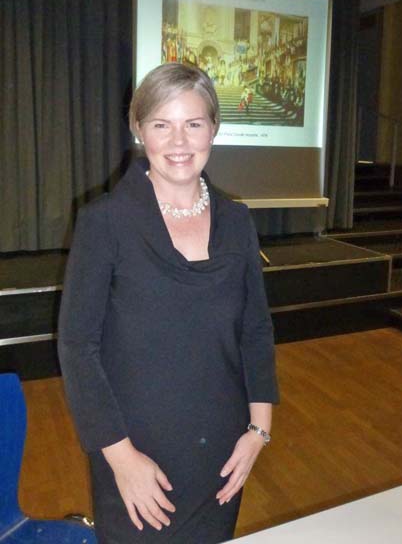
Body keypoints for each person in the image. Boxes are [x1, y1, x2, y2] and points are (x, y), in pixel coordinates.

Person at [58, 62, 279, 544]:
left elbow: (256, 329)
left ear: (213, 128)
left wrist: (258, 431)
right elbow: (77, 346)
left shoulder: (237, 221)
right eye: (162, 124)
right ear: (139, 130)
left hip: (222, 449)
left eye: (193, 123)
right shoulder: (105, 222)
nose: (179, 141)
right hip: (135, 452)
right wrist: (121, 458)